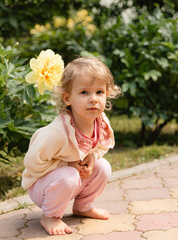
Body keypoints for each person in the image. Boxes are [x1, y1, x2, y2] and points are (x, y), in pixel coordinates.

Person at [21, 57, 121, 235]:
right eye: (84, 93)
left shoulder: (100, 122)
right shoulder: (57, 133)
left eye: (99, 92)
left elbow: (100, 147)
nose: (93, 99)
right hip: (42, 185)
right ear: (67, 98)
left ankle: (83, 207)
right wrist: (67, 165)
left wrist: (92, 157)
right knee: (70, 175)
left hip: (70, 180)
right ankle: (50, 216)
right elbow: (31, 162)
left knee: (103, 166)